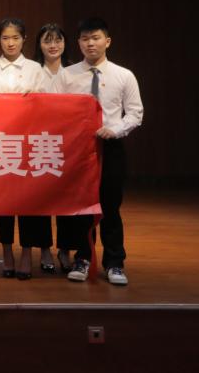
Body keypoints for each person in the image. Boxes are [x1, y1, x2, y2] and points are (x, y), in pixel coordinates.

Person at [57, 18, 143, 286]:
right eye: (84, 39)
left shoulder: (123, 75)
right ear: (78, 43)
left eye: (95, 38)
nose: (90, 44)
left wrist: (114, 130)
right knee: (82, 207)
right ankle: (83, 258)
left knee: (110, 206)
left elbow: (135, 113)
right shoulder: (66, 75)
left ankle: (115, 262)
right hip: (78, 149)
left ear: (108, 41)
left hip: (111, 146)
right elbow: (55, 110)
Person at [0, 18, 54, 280]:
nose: (10, 43)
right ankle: (7, 252)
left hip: (28, 144)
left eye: (15, 38)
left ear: (24, 39)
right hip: (0, 145)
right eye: (5, 38)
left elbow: (47, 106)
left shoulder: (36, 69)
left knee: (28, 202)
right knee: (4, 203)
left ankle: (26, 253)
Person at [35, 23, 77, 273]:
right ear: (39, 45)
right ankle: (44, 249)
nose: (53, 45)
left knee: (66, 199)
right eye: (47, 40)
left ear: (65, 43)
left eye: (58, 40)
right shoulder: (32, 71)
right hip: (39, 142)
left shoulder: (74, 71)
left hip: (68, 143)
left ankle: (65, 248)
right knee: (41, 199)